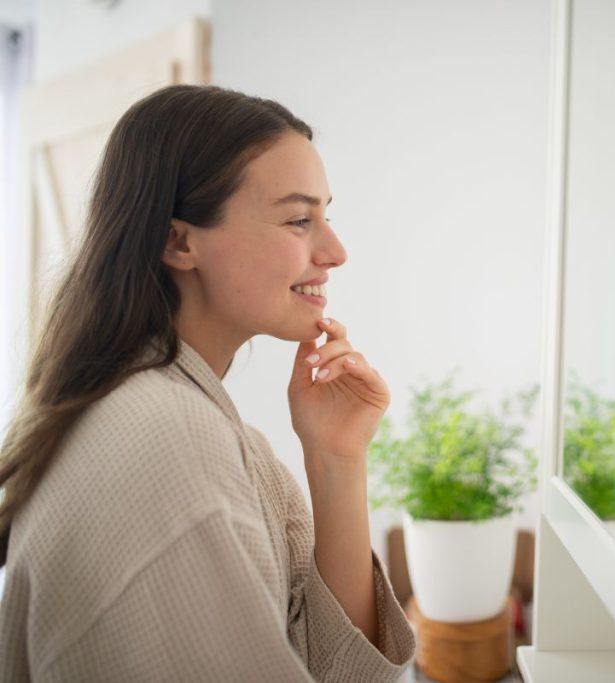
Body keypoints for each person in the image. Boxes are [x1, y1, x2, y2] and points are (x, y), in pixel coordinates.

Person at [0, 85, 415, 681]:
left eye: (327, 216)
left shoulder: (195, 424)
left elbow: (336, 668)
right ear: (180, 241)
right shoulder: (164, 437)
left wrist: (337, 461)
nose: (337, 251)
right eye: (300, 219)